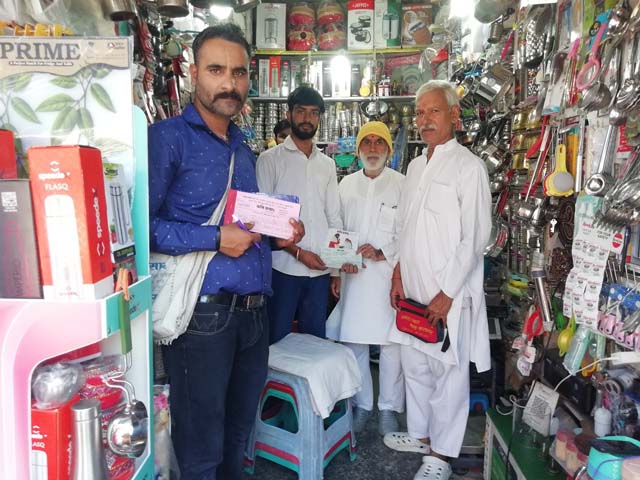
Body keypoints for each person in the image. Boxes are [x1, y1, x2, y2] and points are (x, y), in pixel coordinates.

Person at [148, 24, 303, 480]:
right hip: (203, 318)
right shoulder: (168, 138)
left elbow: (245, 228)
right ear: (194, 73)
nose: (229, 83)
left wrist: (279, 235)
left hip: (254, 316)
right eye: (216, 70)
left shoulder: (243, 148)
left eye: (238, 72)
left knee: (238, 437)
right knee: (201, 449)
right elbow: (143, 228)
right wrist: (215, 238)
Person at [384, 80, 491, 480]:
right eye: (420, 112)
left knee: (448, 374)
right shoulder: (414, 166)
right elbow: (404, 227)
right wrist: (397, 271)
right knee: (415, 365)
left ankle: (442, 457)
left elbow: (475, 237)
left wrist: (447, 293)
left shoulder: (468, 167)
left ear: (453, 115)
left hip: (448, 294)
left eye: (433, 111)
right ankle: (422, 436)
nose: (424, 120)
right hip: (412, 289)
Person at [326, 121, 405, 435]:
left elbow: (410, 232)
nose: (373, 148)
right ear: (358, 150)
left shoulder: (402, 184)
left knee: (391, 346)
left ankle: (388, 408)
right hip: (354, 277)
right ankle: (363, 405)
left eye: (379, 142)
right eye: (367, 142)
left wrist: (383, 251)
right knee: (353, 342)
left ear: (388, 148)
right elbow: (336, 227)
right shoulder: (346, 185)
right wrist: (337, 267)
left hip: (389, 278)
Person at [257, 85, 342, 344]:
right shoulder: (269, 160)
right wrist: (298, 253)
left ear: (319, 118)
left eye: (314, 113)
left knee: (315, 344)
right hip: (282, 270)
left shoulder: (327, 164)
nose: (307, 118)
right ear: (289, 114)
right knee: (277, 342)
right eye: (301, 111)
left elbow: (333, 216)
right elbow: (263, 220)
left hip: (320, 271)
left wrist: (336, 270)